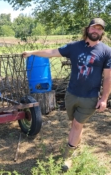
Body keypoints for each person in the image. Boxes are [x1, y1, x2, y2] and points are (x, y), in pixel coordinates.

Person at [22, 18, 111, 171]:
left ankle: (67, 157)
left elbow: (108, 77)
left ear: (102, 31)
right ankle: (76, 144)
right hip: (71, 94)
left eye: (99, 28)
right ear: (88, 29)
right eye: (93, 28)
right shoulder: (74, 47)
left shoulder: (106, 51)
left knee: (77, 124)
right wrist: (32, 52)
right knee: (75, 124)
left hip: (90, 97)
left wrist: (104, 99)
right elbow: (52, 52)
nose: (96, 31)